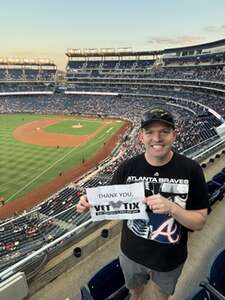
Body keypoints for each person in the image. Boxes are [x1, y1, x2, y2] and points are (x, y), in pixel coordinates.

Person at [77, 107, 209, 300]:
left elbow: (199, 222)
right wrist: (89, 203)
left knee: (161, 295)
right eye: (150, 132)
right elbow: (110, 204)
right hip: (131, 254)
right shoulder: (127, 167)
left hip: (169, 259)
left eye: (164, 131)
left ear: (174, 135)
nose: (157, 138)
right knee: (134, 290)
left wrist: (172, 208)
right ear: (141, 137)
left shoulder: (191, 170)